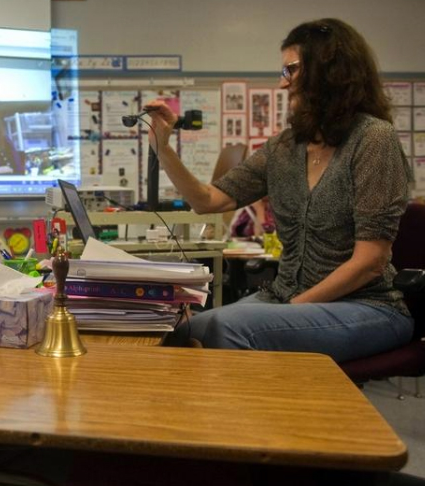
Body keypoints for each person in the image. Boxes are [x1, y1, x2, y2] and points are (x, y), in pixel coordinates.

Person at [150, 18, 413, 363]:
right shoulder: (285, 148)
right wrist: (163, 148)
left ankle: (270, 416)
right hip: (287, 297)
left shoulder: (372, 139)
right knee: (181, 330)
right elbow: (207, 200)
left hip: (368, 307)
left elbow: (370, 263)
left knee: (226, 328)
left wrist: (290, 310)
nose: (282, 83)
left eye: (291, 70)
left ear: (329, 71)